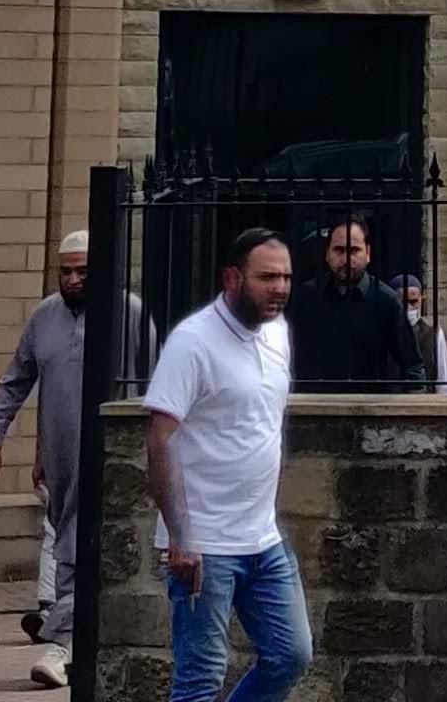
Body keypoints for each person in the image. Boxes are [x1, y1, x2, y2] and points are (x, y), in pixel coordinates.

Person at [0, 228, 160, 688]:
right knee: (68, 542)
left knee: (85, 550)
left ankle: (65, 645)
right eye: (66, 271)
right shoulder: (45, 317)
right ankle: (75, 644)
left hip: (118, 457)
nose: (74, 279)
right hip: (62, 457)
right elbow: (15, 381)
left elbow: (156, 384)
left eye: (83, 270)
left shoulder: (131, 313)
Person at [145, 221, 309, 702]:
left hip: (262, 539)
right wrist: (180, 536)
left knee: (291, 654)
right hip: (205, 545)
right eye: (267, 278)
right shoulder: (192, 343)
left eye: (285, 277)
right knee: (199, 682)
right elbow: (159, 440)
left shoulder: (278, 333)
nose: (279, 288)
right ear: (232, 278)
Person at [286, 214, 421, 389]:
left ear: (368, 253)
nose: (346, 259)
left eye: (354, 250)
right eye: (339, 250)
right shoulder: (304, 298)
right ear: (327, 253)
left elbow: (413, 366)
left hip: (370, 411)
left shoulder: (386, 301)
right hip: (312, 409)